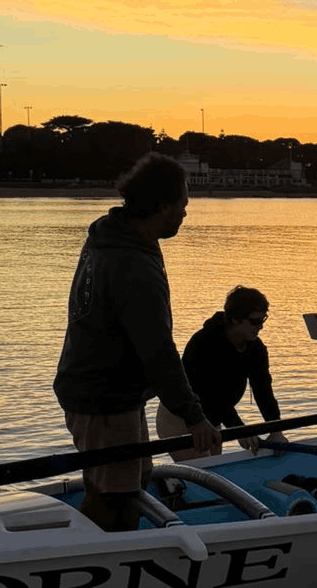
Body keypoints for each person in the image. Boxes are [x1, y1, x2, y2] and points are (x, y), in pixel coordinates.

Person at [53, 152, 221, 532]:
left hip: (109, 394)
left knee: (133, 479)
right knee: (117, 497)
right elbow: (158, 351)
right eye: (183, 206)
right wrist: (194, 417)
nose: (185, 215)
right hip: (103, 399)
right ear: (163, 206)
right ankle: (101, 563)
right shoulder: (132, 263)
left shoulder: (113, 236)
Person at [158, 285, 287, 452]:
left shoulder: (256, 349)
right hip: (180, 416)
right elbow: (210, 394)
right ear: (235, 319)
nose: (260, 327)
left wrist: (276, 429)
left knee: (214, 469)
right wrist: (238, 429)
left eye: (263, 320)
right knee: (204, 473)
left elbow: (263, 391)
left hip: (213, 418)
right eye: (255, 321)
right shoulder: (204, 343)